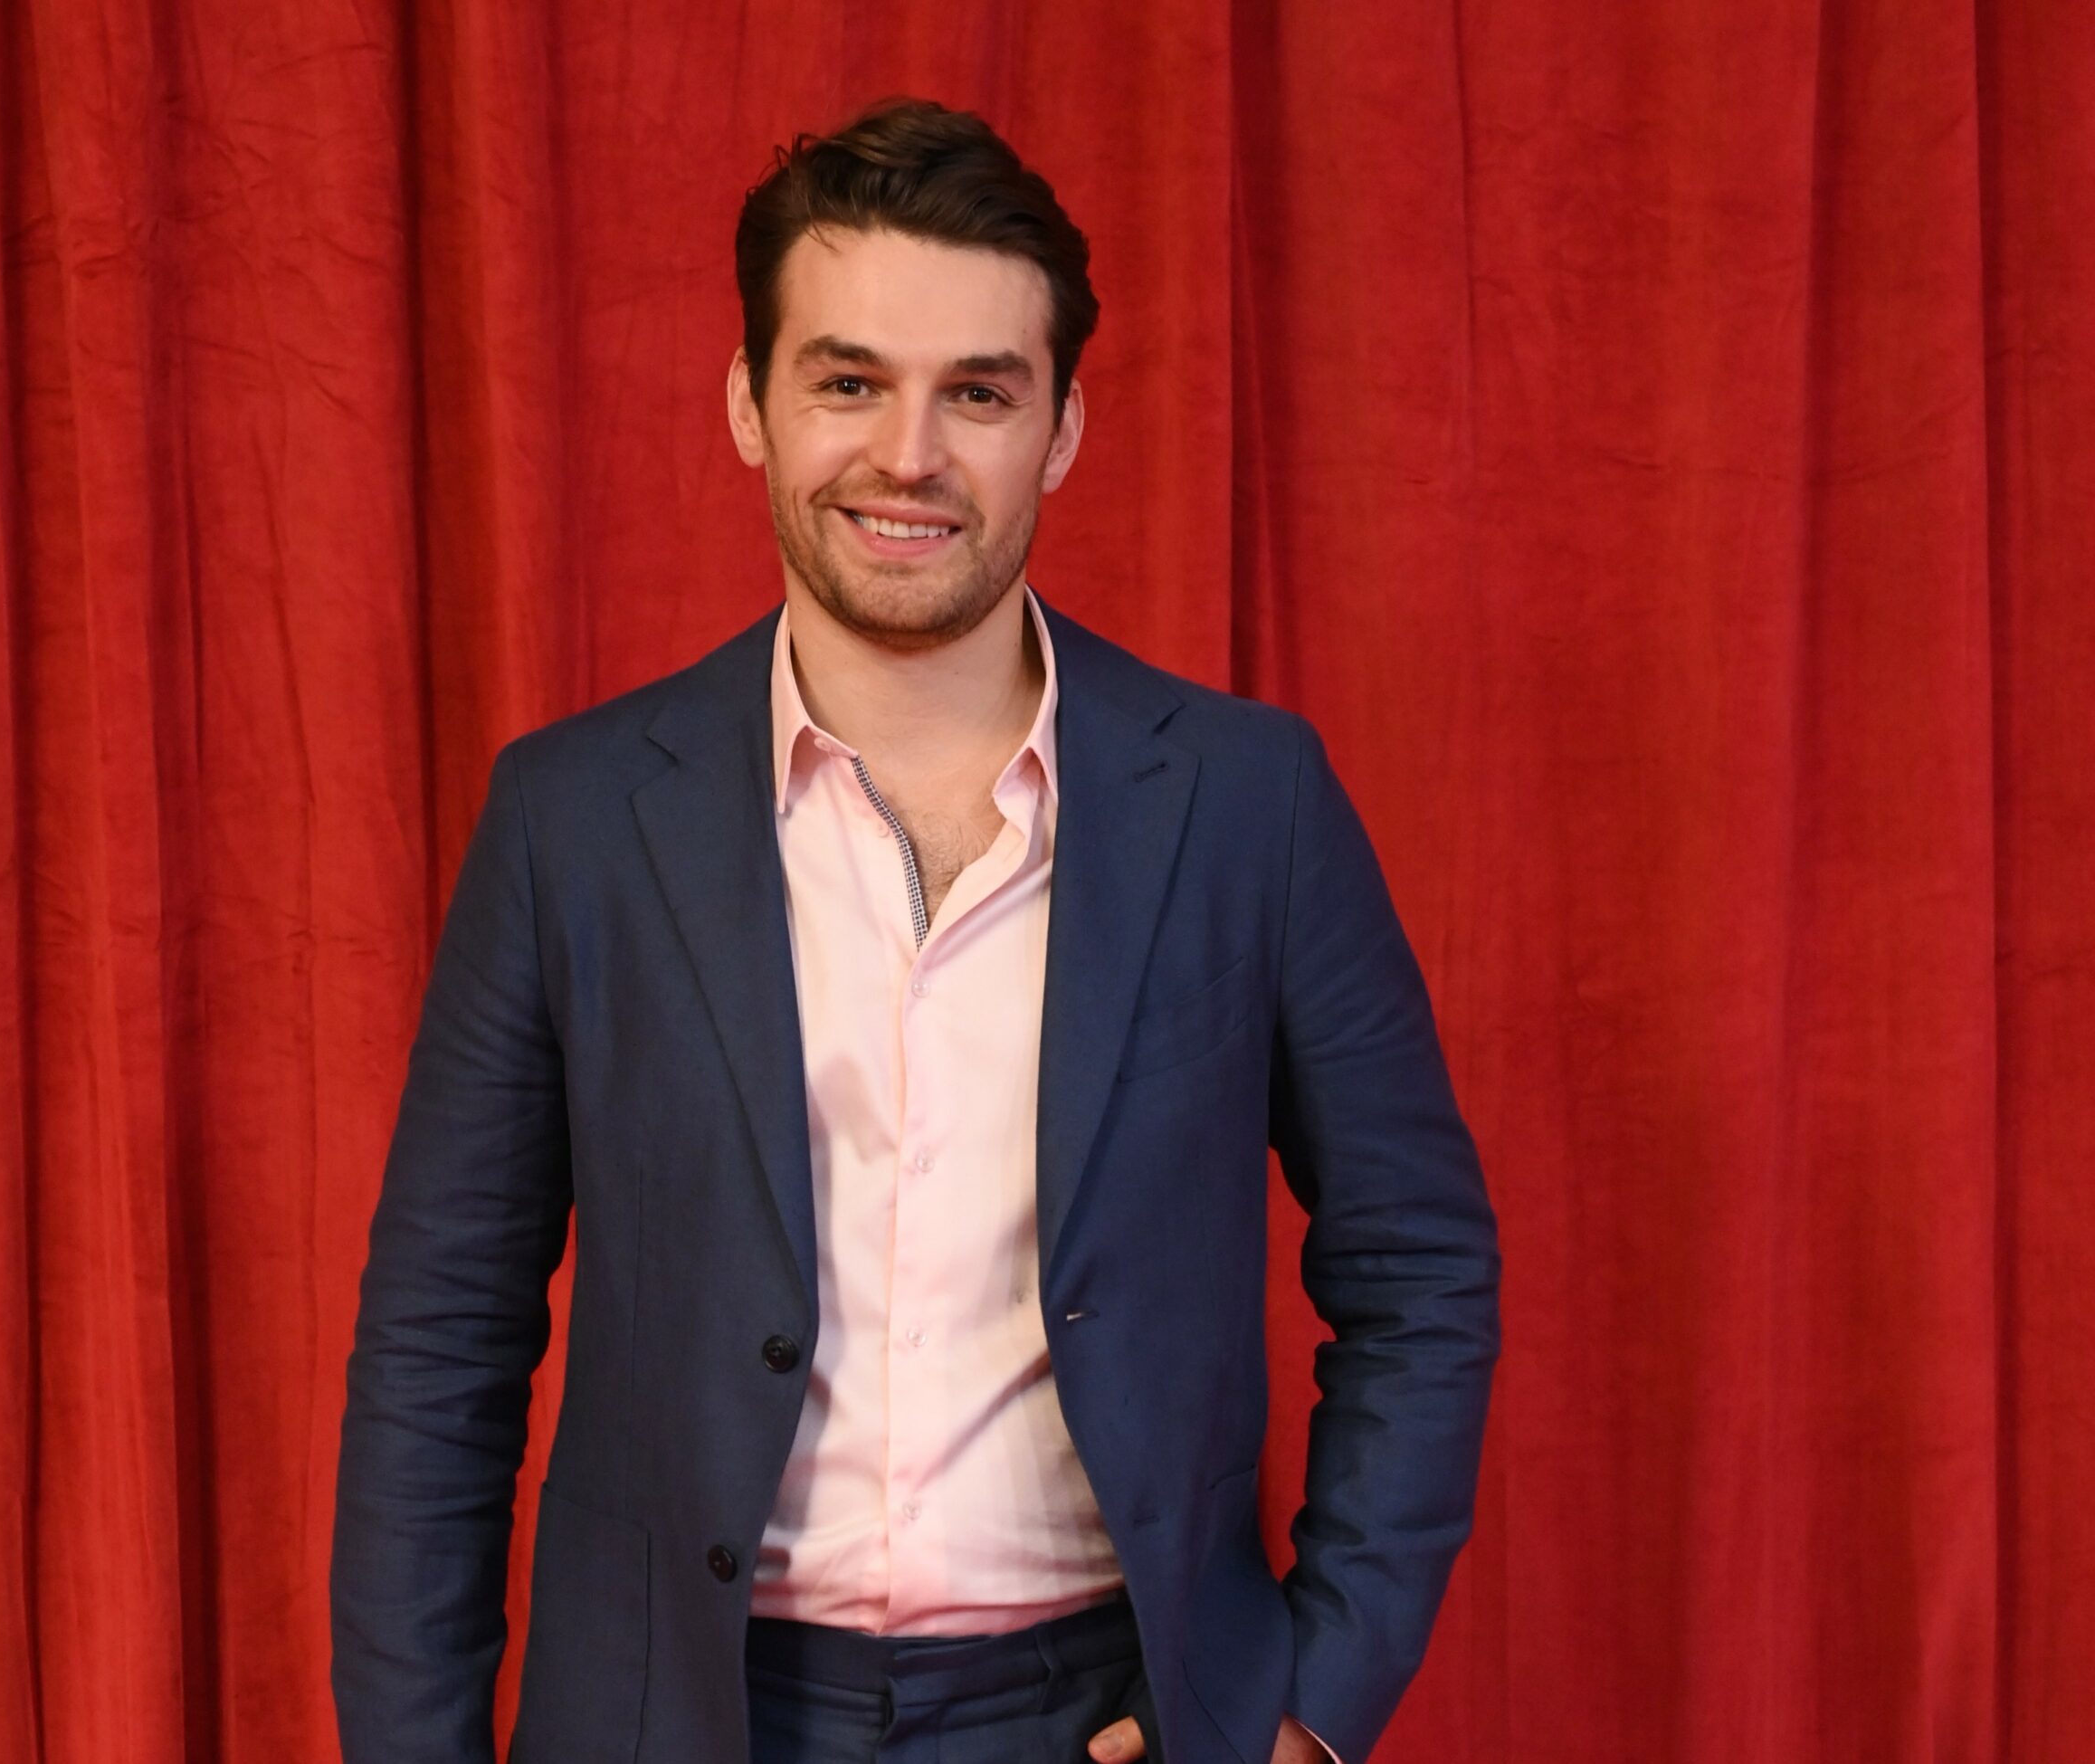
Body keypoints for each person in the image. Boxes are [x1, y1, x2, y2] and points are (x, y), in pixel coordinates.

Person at [329, 95, 1500, 1764]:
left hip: (1102, 1712)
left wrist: (1305, 1712)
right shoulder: (571, 819)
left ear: (1065, 428)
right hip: (676, 1719)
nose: (909, 455)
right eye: (849, 380)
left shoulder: (1253, 802)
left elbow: (1418, 1266)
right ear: (750, 403)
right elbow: (441, 1340)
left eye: (978, 392)